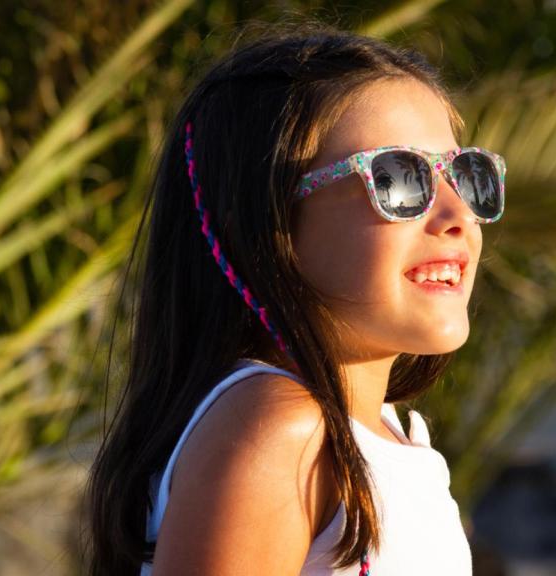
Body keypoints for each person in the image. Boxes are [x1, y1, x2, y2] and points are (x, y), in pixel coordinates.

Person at [85, 21, 506, 576]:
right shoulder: (283, 429)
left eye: (465, 174)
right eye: (400, 179)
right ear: (266, 222)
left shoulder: (381, 435)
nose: (457, 218)